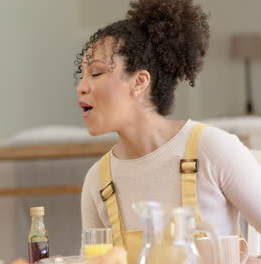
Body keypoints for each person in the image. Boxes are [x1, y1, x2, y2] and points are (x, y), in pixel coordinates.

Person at [76, 0, 261, 263]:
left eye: (95, 73)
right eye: (81, 75)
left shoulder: (211, 149)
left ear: (139, 82)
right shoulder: (98, 180)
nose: (81, 87)